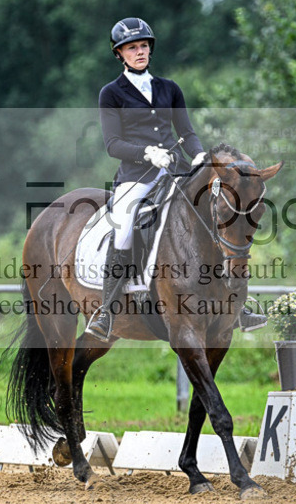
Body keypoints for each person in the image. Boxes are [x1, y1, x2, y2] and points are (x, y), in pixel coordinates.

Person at [84, 17, 267, 341]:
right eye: (131, 48)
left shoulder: (169, 88)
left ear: (149, 49)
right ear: (119, 54)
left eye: (142, 46)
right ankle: (106, 312)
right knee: (125, 226)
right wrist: (146, 153)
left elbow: (187, 132)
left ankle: (238, 305)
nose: (138, 52)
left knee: (216, 216)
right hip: (136, 176)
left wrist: (198, 156)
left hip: (177, 171)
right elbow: (113, 144)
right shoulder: (111, 93)